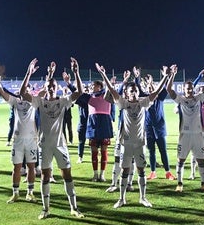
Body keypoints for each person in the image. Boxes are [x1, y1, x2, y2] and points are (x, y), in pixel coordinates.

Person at [96, 62, 170, 209]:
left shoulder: (144, 102)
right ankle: (122, 199)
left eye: (135, 91)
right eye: (131, 91)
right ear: (127, 93)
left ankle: (143, 198)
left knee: (141, 170)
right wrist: (103, 74)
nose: (134, 93)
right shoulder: (123, 103)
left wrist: (166, 77)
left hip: (140, 144)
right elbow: (111, 90)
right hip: (126, 144)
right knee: (125, 170)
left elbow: (156, 92)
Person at [19, 58, 84, 220]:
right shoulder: (39, 102)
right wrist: (28, 72)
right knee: (46, 177)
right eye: (48, 86)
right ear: (45, 87)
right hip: (44, 145)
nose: (50, 88)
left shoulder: (63, 101)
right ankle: (46, 209)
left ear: (57, 87)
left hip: (60, 145)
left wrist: (76, 72)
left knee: (67, 176)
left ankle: (74, 208)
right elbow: (22, 93)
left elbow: (79, 92)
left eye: (53, 86)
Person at [0, 66, 38, 203]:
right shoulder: (15, 101)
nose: (23, 91)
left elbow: (45, 91)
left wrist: (48, 73)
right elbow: (1, 92)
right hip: (17, 139)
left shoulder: (34, 102)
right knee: (16, 167)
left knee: (31, 167)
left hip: (31, 139)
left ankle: (30, 193)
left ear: (29, 91)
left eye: (26, 90)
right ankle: (15, 193)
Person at [167, 63, 204, 194]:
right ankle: (179, 184)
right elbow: (169, 90)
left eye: (191, 88)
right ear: (184, 89)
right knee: (181, 160)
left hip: (198, 135)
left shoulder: (199, 98)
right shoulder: (181, 100)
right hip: (185, 135)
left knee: (201, 160)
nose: (189, 90)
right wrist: (172, 75)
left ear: (193, 88)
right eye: (187, 88)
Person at [74, 77, 114, 182]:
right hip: (92, 127)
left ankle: (102, 174)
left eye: (94, 85)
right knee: (94, 152)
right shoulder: (89, 97)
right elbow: (78, 92)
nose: (92, 87)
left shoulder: (106, 96)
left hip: (104, 125)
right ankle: (95, 174)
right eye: (91, 86)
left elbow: (110, 89)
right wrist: (71, 81)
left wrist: (105, 77)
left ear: (100, 87)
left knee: (104, 151)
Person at [144, 69, 176, 181]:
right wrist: (138, 78)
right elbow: (138, 88)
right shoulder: (145, 99)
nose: (150, 89)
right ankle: (153, 172)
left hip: (160, 128)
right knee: (151, 151)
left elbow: (167, 87)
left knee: (163, 151)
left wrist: (168, 75)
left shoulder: (160, 97)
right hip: (148, 129)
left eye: (152, 88)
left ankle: (168, 172)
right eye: (148, 88)